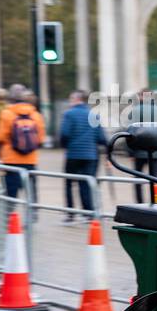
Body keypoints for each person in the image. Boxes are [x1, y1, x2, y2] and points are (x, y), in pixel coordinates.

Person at [0, 85, 46, 208]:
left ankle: (9, 216)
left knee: (11, 191)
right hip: (30, 159)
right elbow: (41, 139)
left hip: (10, 159)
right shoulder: (36, 114)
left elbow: (0, 137)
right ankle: (32, 216)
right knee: (30, 190)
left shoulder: (6, 113)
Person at [59, 90, 107, 223]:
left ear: (76, 99)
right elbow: (102, 138)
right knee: (86, 183)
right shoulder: (93, 115)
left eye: (70, 99)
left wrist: (65, 146)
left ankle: (70, 213)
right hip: (91, 155)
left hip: (73, 154)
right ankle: (88, 212)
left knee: (69, 183)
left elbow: (64, 134)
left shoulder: (69, 114)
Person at [128, 89, 157, 202]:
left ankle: (140, 203)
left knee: (138, 181)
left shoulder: (134, 111)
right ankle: (155, 203)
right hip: (156, 151)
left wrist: (130, 151)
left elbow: (128, 132)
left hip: (139, 151)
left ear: (141, 97)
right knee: (155, 180)